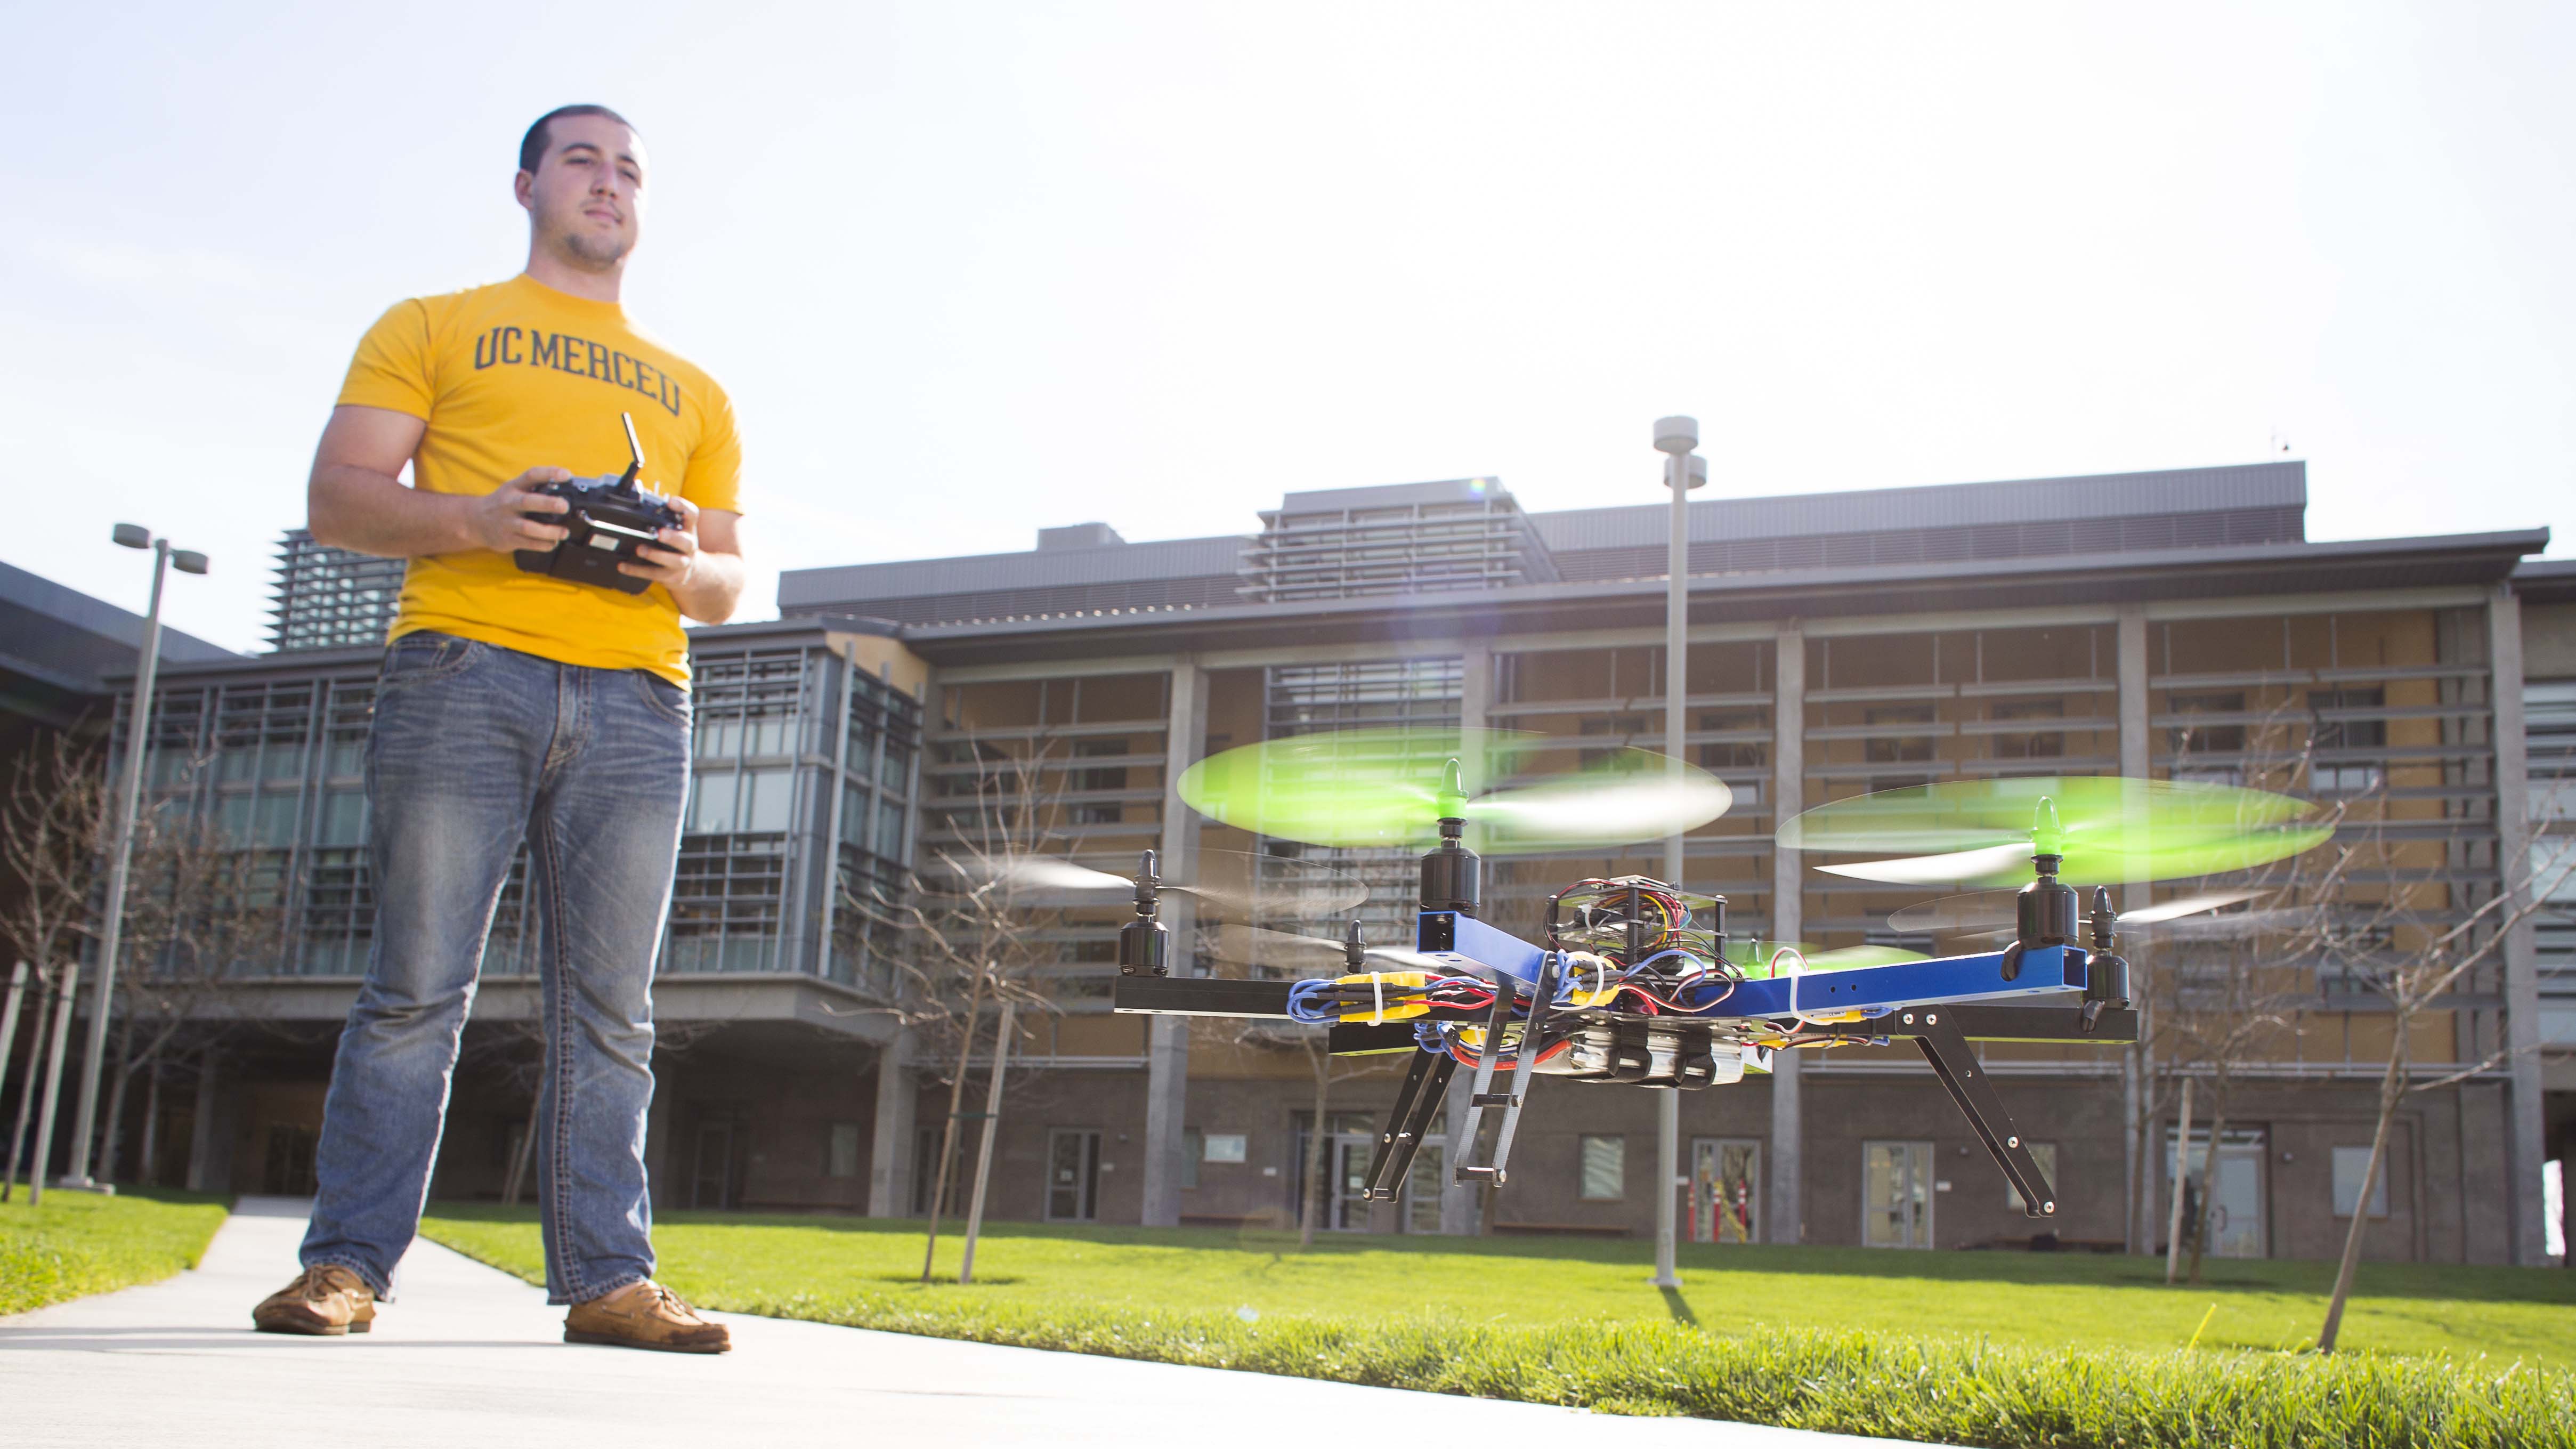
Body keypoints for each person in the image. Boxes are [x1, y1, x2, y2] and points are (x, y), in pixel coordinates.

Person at [251, 104, 743, 1354]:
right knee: (418, 987)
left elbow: (733, 581)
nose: (609, 182)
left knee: (614, 1011)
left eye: (630, 169)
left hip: (639, 693)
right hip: (463, 670)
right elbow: (337, 501)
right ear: (527, 184)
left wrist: (678, 563)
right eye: (583, 159)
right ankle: (346, 1266)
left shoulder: (694, 387)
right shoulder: (435, 323)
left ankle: (609, 1281)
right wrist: (484, 519)